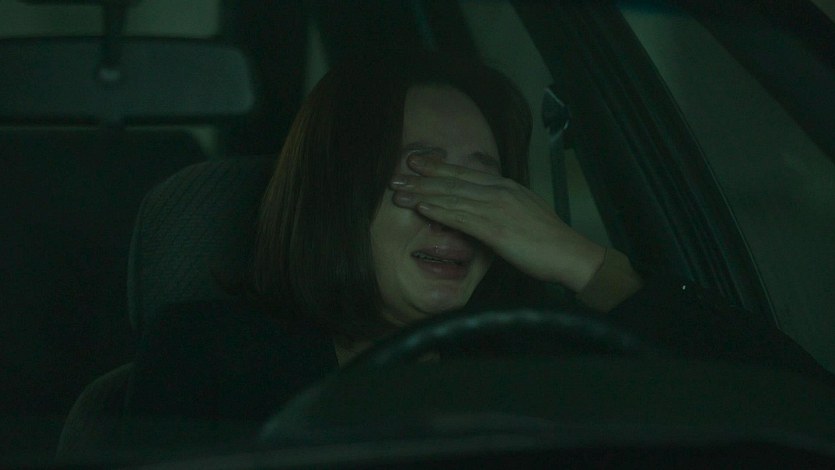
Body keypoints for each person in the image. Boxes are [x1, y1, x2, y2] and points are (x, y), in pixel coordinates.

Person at [123, 51, 831, 453]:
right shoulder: (211, 353)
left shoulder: (546, 354)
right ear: (338, 191)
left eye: (485, 185)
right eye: (424, 173)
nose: (459, 212)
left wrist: (585, 264)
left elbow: (797, 415)